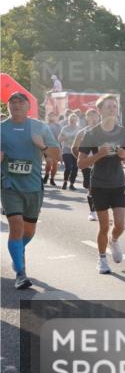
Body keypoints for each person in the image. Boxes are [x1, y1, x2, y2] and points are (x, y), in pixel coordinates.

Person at [2, 92, 60, 289]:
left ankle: (16, 253)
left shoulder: (39, 127)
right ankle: (20, 272)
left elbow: (56, 155)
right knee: (16, 226)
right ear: (8, 107)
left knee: (29, 231)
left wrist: (42, 145)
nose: (16, 105)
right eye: (12, 102)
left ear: (28, 106)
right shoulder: (1, 129)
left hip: (34, 186)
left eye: (20, 102)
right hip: (9, 186)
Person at [76, 95, 125, 274]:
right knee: (104, 226)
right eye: (108, 106)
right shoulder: (92, 134)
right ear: (99, 111)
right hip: (99, 184)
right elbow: (81, 163)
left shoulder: (123, 132)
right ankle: (101, 260)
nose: (112, 109)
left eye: (114, 106)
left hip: (117, 183)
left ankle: (113, 240)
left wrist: (123, 154)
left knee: (120, 225)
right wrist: (99, 154)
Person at [73, 108, 101, 221]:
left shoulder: (104, 131)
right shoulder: (82, 132)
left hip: (100, 164)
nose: (93, 118)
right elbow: (74, 148)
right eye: (90, 116)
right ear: (86, 118)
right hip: (87, 164)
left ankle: (94, 210)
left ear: (99, 117)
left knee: (96, 187)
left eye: (95, 116)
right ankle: (93, 209)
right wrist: (81, 160)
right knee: (89, 186)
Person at [59, 113, 83, 190]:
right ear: (68, 120)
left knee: (75, 167)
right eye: (71, 120)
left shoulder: (79, 129)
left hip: (76, 150)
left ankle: (71, 184)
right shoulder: (64, 128)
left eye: (74, 120)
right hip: (66, 150)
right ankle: (65, 181)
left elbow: (83, 139)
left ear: (76, 120)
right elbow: (59, 138)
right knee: (68, 167)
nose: (72, 121)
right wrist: (64, 138)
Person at [44, 110, 62, 187]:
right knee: (48, 163)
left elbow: (60, 137)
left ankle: (52, 179)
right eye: (50, 115)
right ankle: (47, 174)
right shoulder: (44, 125)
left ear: (55, 117)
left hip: (56, 146)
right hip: (47, 147)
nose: (51, 117)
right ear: (47, 117)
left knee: (55, 164)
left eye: (53, 115)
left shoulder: (58, 126)